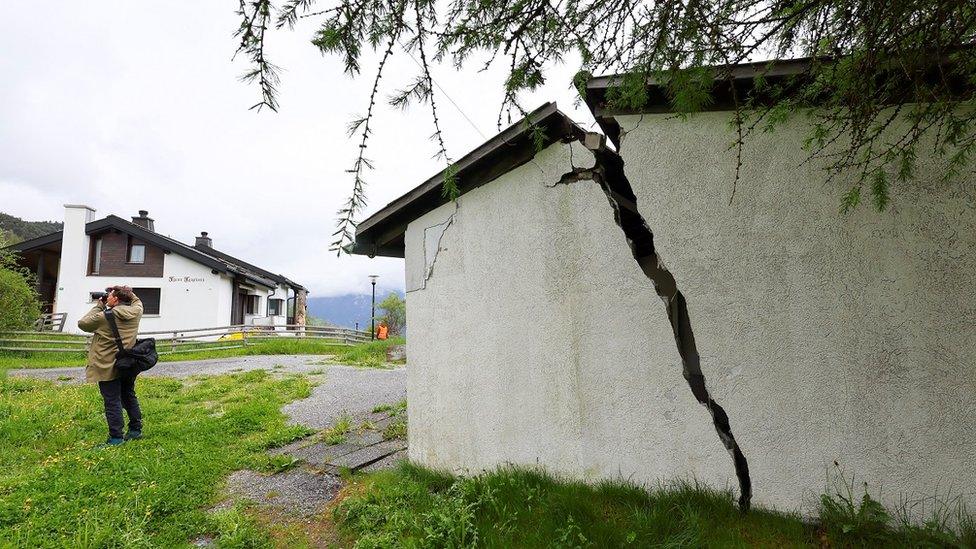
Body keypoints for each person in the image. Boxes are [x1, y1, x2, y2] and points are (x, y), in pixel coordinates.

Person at [78, 286, 144, 446]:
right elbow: (137, 301)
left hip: (107, 364)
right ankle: (135, 430)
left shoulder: (105, 316)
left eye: (110, 295)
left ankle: (116, 438)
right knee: (128, 395)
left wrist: (99, 305)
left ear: (115, 299)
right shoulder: (136, 312)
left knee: (112, 400)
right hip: (127, 363)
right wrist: (126, 291)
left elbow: (83, 324)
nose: (108, 297)